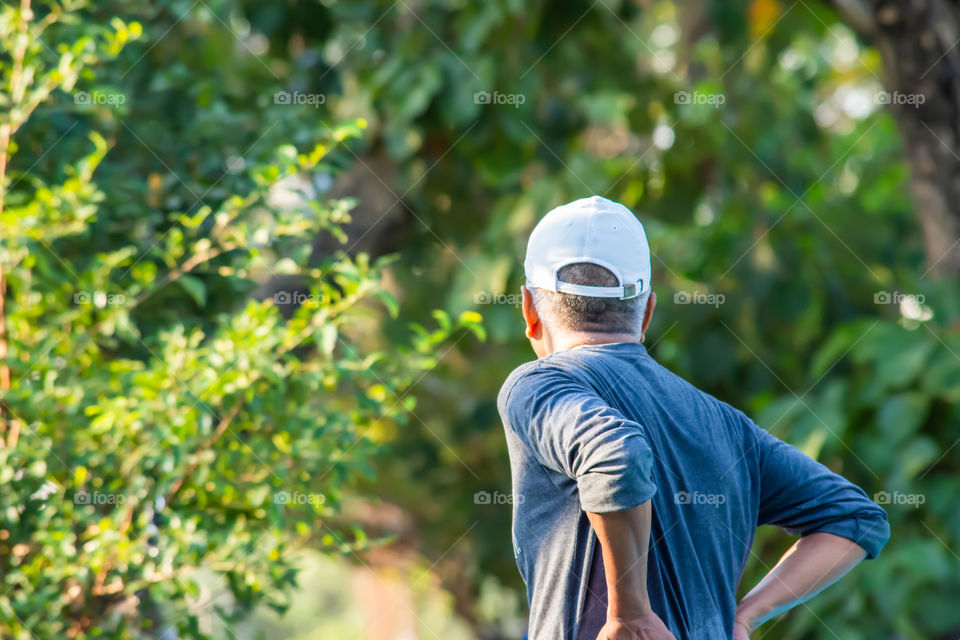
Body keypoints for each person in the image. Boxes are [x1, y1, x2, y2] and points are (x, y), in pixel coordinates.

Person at [497, 196, 890, 640]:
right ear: (646, 312)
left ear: (530, 311)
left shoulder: (538, 386)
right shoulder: (726, 425)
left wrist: (631, 614)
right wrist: (745, 616)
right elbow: (856, 518)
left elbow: (617, 457)